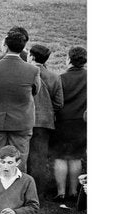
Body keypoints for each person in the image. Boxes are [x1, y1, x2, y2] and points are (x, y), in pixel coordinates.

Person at [0, 28, 41, 174]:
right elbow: (35, 91)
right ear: (23, 48)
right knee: (19, 158)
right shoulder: (32, 70)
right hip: (21, 121)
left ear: (6, 46)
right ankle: (16, 192)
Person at [50, 46, 87, 202]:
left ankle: (61, 192)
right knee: (76, 157)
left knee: (60, 157)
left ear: (69, 59)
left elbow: (55, 101)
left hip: (63, 121)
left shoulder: (61, 78)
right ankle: (74, 191)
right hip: (82, 122)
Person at [27, 44, 64, 198]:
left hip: (24, 120)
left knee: (21, 156)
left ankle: (21, 192)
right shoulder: (54, 77)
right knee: (39, 159)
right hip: (44, 122)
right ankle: (37, 194)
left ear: (32, 56)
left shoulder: (26, 73)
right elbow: (59, 103)